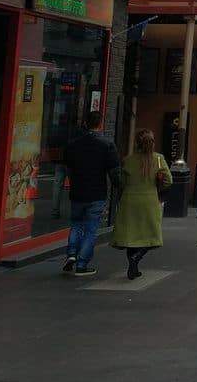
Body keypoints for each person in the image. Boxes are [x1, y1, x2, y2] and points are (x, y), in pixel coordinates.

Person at [61, 110, 120, 277]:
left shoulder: (73, 144)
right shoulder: (107, 145)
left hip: (78, 191)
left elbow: (68, 168)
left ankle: (71, 254)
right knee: (90, 228)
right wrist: (119, 188)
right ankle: (81, 264)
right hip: (96, 192)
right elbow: (114, 172)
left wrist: (72, 182)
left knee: (76, 224)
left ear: (85, 123)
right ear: (100, 124)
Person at [110, 129, 170, 280]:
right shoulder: (158, 159)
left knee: (131, 236)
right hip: (149, 200)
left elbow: (121, 182)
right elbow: (168, 180)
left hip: (129, 200)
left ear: (136, 143)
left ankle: (133, 265)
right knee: (151, 235)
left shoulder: (128, 160)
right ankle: (136, 258)